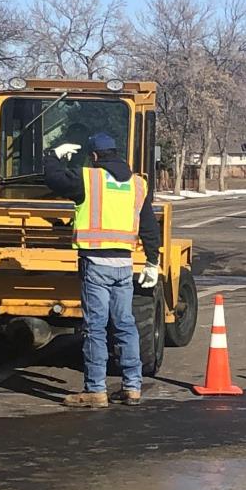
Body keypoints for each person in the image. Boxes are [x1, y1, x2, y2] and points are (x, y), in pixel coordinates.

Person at [44, 131, 163, 408]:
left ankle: (96, 390)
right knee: (125, 324)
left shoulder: (90, 178)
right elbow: (148, 227)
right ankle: (132, 387)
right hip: (124, 265)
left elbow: (54, 179)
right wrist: (152, 261)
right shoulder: (137, 185)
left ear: (95, 156)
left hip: (95, 264)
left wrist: (53, 156)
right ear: (117, 153)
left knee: (95, 328)